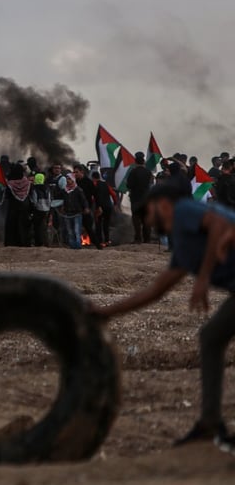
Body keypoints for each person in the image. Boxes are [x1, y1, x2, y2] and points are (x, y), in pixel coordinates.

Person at [89, 183, 235, 452]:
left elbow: (220, 224)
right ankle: (210, 422)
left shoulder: (184, 210)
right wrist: (105, 313)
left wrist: (203, 278)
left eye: (148, 212)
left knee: (212, 338)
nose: (146, 220)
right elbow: (156, 291)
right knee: (211, 338)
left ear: (163, 204)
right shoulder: (184, 245)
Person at [126, 152, 154, 243]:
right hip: (146, 198)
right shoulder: (149, 172)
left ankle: (138, 238)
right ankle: (147, 239)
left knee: (136, 219)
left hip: (135, 198)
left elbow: (129, 185)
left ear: (135, 162)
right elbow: (151, 184)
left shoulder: (133, 172)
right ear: (144, 161)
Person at [4, 163, 32, 247]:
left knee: (13, 225)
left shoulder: (10, 184)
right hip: (25, 207)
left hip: (13, 208)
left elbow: (7, 196)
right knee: (24, 225)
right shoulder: (27, 182)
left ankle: (12, 242)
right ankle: (24, 242)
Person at [59, 174, 89, 249]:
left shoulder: (78, 190)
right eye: (67, 179)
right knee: (69, 231)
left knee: (77, 230)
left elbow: (83, 200)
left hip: (77, 213)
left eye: (69, 179)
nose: (68, 181)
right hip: (67, 213)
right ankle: (72, 245)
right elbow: (61, 199)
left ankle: (78, 245)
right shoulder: (64, 190)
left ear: (73, 180)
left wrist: (86, 207)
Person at [91, 171, 114, 249]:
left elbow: (93, 197)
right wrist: (115, 204)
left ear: (93, 178)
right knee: (106, 224)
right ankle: (107, 241)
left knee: (98, 224)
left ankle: (100, 241)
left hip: (99, 207)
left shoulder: (94, 184)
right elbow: (113, 194)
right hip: (108, 206)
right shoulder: (106, 184)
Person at [73, 164, 96, 244]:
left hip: (86, 208)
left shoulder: (88, 182)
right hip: (76, 209)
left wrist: (92, 207)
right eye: (74, 172)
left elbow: (95, 195)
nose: (75, 174)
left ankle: (96, 244)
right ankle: (77, 243)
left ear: (81, 172)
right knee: (76, 227)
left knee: (88, 227)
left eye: (77, 172)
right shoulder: (74, 183)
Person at [29, 173, 52, 247]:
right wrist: (47, 207)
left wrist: (33, 207)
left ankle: (38, 242)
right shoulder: (47, 188)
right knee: (44, 227)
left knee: (37, 227)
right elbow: (49, 200)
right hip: (46, 210)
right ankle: (45, 242)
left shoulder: (35, 189)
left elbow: (34, 200)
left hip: (38, 210)